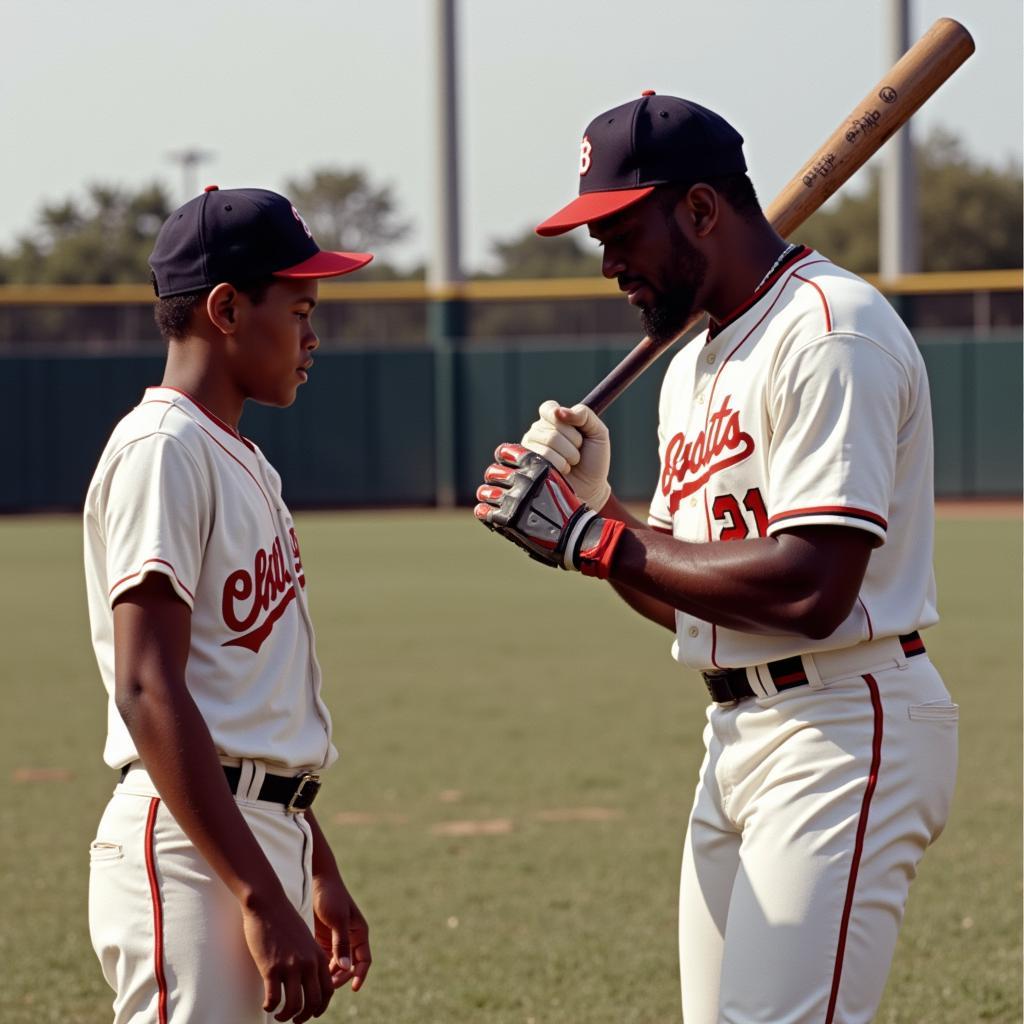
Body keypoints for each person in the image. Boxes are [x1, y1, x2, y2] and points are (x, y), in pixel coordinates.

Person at [474, 92, 958, 1024]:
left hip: (843, 724)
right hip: (736, 736)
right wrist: (602, 521)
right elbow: (697, 598)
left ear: (701, 210)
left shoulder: (829, 329)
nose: (608, 263)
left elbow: (813, 588)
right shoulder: (692, 365)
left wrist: (592, 539)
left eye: (622, 232)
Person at [84, 186, 372, 1023]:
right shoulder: (163, 450)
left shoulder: (240, 458)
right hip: (191, 850)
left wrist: (312, 859)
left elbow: (237, 700)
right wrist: (257, 893)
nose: (313, 333)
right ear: (225, 308)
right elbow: (147, 688)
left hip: (249, 831)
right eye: (301, 306)